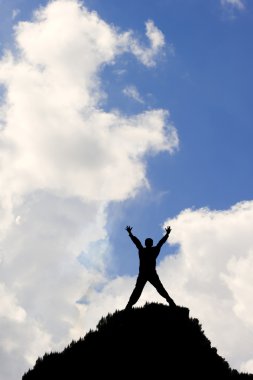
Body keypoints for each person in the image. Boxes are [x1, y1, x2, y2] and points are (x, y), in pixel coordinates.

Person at [125, 225, 176, 310]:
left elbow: (137, 242)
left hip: (146, 274)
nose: (148, 243)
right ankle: (170, 301)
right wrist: (167, 234)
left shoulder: (143, 250)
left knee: (140, 290)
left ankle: (129, 305)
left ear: (146, 244)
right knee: (157, 288)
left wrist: (130, 233)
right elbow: (160, 243)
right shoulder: (153, 250)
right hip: (148, 273)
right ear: (151, 244)